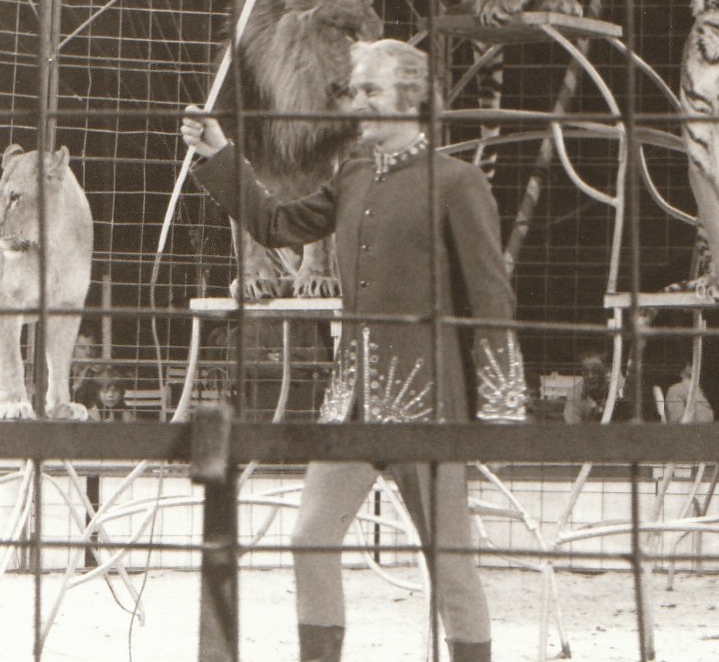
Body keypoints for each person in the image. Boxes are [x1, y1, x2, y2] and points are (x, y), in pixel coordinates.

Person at [181, 37, 526, 662]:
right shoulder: (353, 175)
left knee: (450, 565)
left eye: (371, 90)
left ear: (411, 97)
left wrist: (498, 415)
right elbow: (277, 225)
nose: (357, 103)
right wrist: (222, 156)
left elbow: (492, 301)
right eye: (353, 90)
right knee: (310, 539)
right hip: (352, 403)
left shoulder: (457, 182)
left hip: (431, 408)